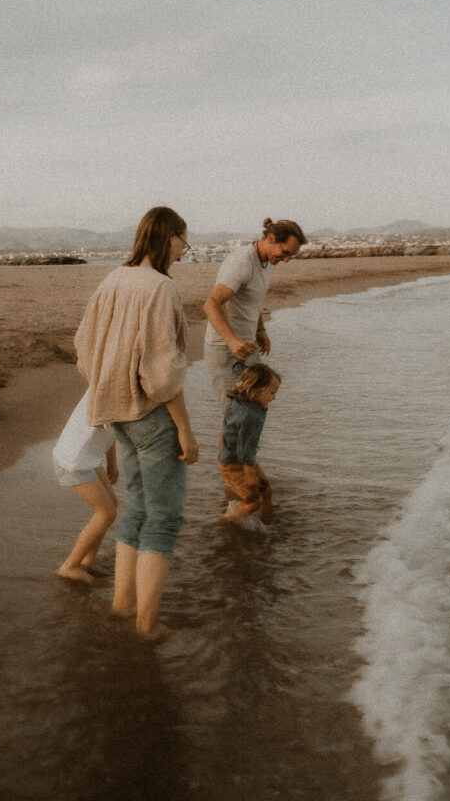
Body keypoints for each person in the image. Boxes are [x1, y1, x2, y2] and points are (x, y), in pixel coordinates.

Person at [74, 206, 199, 641]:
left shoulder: (112, 279)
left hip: (116, 414)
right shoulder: (161, 288)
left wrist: (110, 387)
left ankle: (122, 603)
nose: (185, 250)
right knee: (163, 519)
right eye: (184, 241)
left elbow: (84, 347)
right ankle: (146, 624)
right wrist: (185, 428)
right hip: (150, 415)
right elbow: (165, 375)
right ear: (168, 237)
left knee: (139, 508)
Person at [203, 217, 306, 414]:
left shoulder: (267, 261)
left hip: (248, 345)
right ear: (271, 238)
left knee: (257, 407)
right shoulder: (241, 262)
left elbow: (252, 300)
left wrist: (260, 329)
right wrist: (232, 341)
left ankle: (248, 446)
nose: (286, 260)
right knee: (234, 416)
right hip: (224, 349)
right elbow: (211, 304)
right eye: (285, 253)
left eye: (290, 256)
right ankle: (232, 446)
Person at [53, 389, 119, 584]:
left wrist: (112, 463)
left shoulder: (116, 388)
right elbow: (110, 422)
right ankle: (69, 566)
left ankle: (88, 560)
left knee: (112, 505)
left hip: (89, 456)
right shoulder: (108, 390)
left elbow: (111, 432)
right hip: (73, 459)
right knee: (106, 513)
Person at [218, 361, 280, 521]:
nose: (274, 398)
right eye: (272, 393)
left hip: (242, 458)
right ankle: (225, 521)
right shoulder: (249, 416)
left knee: (266, 489)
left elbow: (239, 370)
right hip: (234, 464)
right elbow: (245, 447)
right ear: (257, 391)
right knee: (254, 502)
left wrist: (239, 359)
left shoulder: (244, 395)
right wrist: (249, 474)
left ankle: (267, 522)